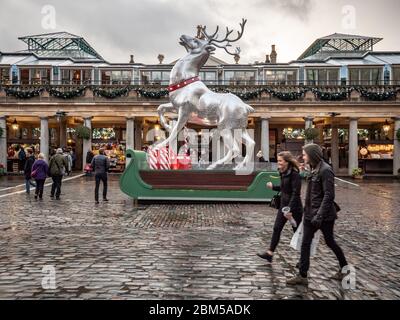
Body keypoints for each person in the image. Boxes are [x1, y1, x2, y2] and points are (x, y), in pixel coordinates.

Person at [287, 143, 348, 286]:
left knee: (330, 241)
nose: (303, 156)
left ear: (312, 155)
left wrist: (319, 215)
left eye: (304, 154)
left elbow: (329, 195)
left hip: (324, 216)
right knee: (305, 243)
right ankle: (302, 275)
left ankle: (345, 269)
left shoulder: (326, 170)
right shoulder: (314, 168)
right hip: (310, 214)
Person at [257, 151, 303, 263]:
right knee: (277, 228)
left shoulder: (294, 174)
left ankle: (303, 258)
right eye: (278, 161)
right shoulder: (283, 172)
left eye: (280, 161)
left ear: (287, 162)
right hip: (283, 206)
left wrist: (290, 210)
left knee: (297, 233)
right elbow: (284, 188)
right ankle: (270, 253)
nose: (279, 163)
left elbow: (295, 193)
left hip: (294, 208)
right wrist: (273, 187)